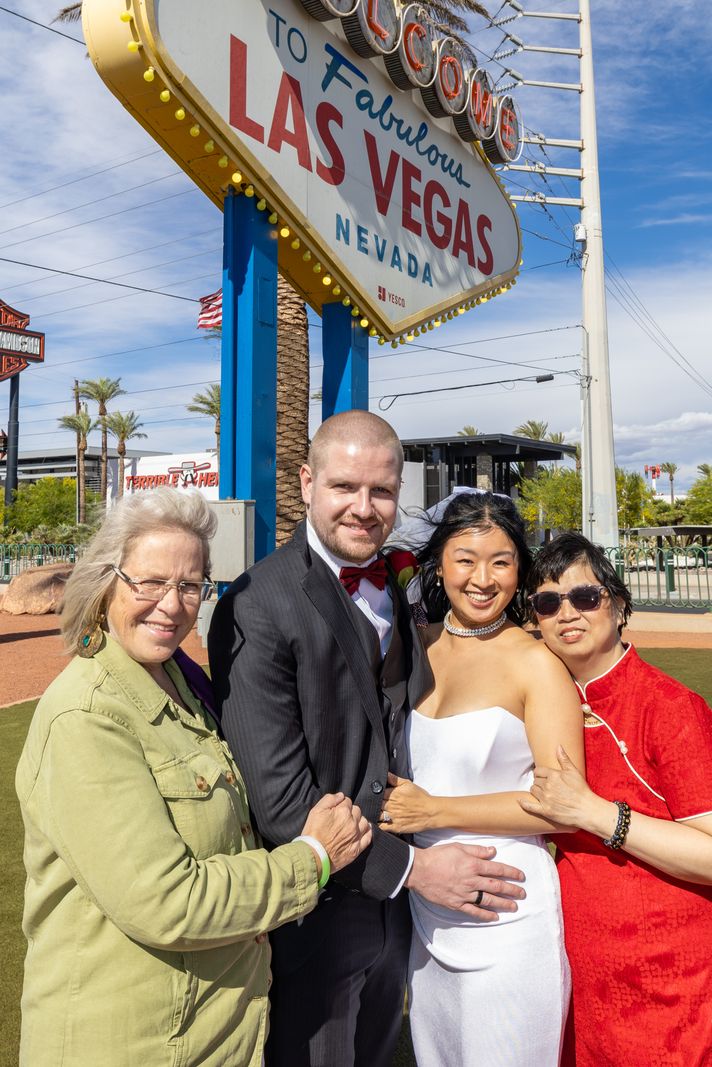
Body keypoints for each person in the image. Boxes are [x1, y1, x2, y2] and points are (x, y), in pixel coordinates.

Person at [208, 412, 527, 1067]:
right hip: (316, 912)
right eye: (344, 487)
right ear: (307, 483)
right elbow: (278, 799)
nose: (363, 507)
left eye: (381, 490)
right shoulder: (255, 603)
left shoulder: (401, 589)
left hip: (404, 913)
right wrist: (414, 869)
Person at [15, 488, 371, 1067]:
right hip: (130, 1043)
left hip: (210, 1032)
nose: (171, 605)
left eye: (189, 585)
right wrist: (313, 858)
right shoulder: (87, 716)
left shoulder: (177, 681)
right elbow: (168, 902)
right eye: (150, 582)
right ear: (107, 582)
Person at [378, 490, 583, 1067]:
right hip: (427, 912)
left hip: (507, 909)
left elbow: (564, 806)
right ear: (440, 564)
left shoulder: (537, 664)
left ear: (520, 568)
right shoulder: (414, 650)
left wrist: (435, 811)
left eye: (501, 561)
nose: (483, 579)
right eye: (466, 559)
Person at [520, 531, 712, 1067]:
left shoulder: (669, 707)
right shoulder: (543, 706)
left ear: (619, 605)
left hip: (670, 983)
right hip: (579, 976)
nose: (567, 613)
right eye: (547, 602)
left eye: (585, 597)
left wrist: (595, 813)